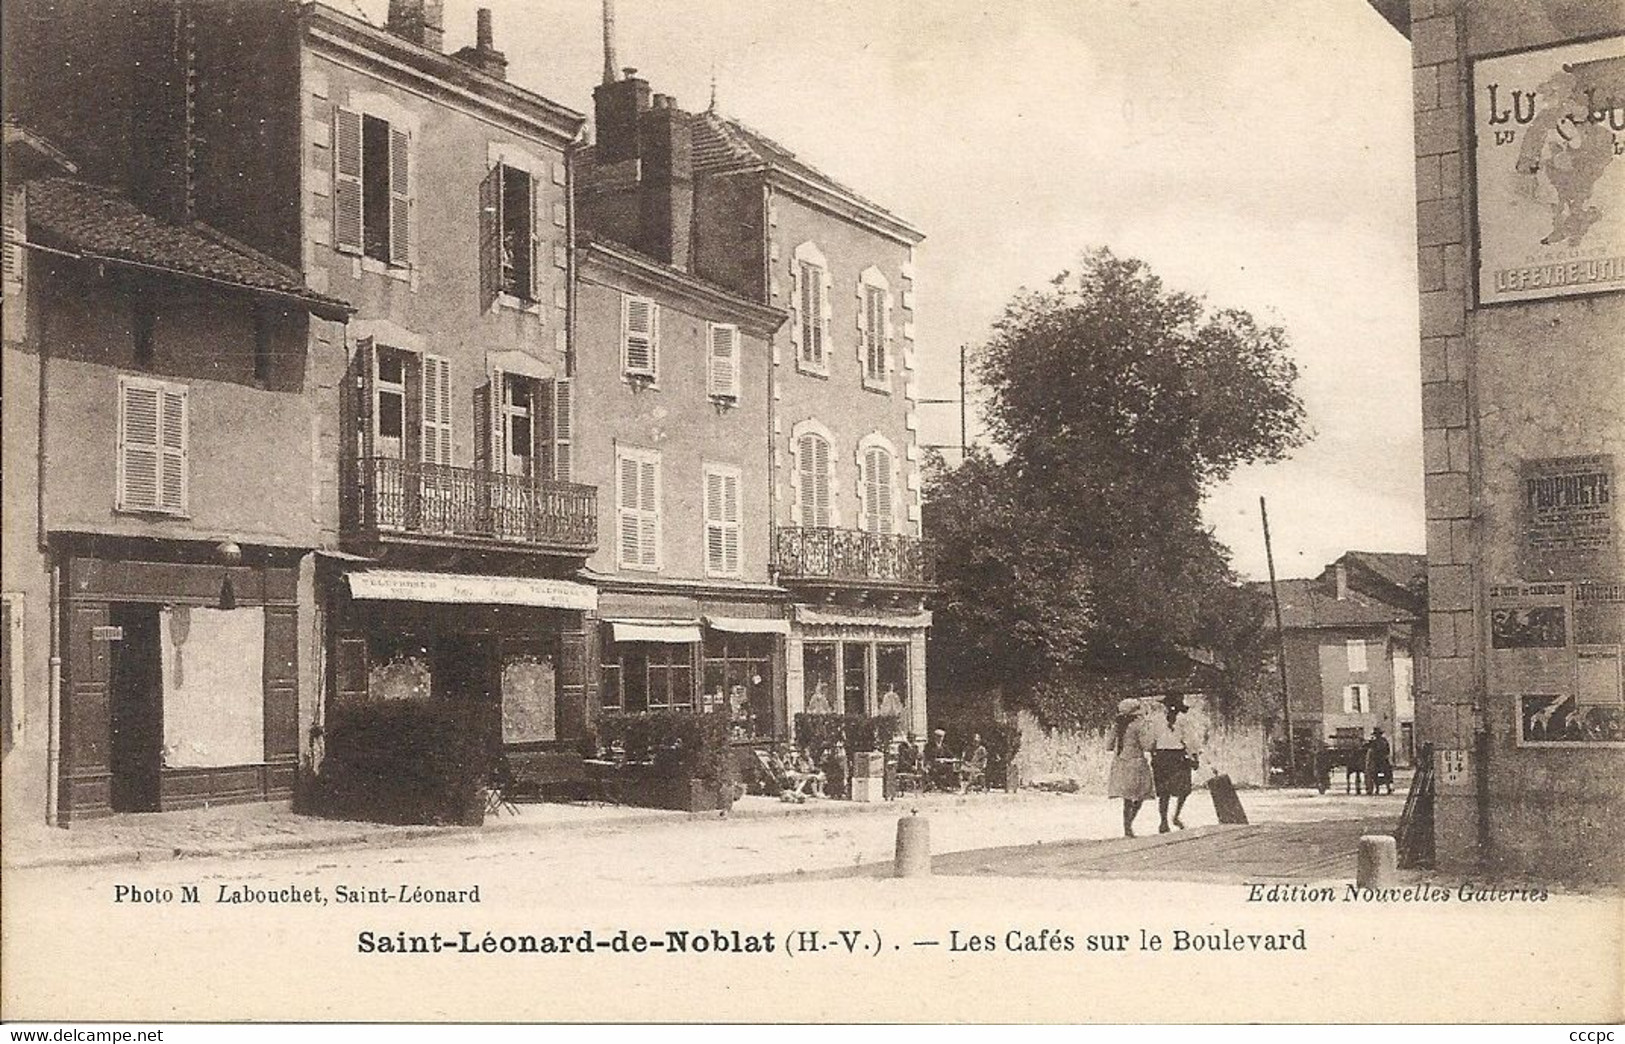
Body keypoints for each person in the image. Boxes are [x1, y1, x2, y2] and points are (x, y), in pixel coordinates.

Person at [1149, 695, 1201, 832]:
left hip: (1161, 757)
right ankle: (1176, 816)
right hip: (1178, 757)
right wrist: (1194, 757)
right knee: (1184, 789)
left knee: (1164, 792)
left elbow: (1151, 741)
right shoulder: (1184, 720)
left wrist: (1153, 754)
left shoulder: (1156, 720)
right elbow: (1190, 740)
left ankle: (1163, 821)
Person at [1106, 697, 1156, 838]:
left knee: (1126, 798)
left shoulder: (1117, 725)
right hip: (1136, 762)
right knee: (1140, 795)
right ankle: (1130, 824)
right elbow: (1146, 745)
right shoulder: (1139, 725)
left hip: (1120, 762)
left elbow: (1108, 745)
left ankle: (1126, 827)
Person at [1365, 726, 1394, 795]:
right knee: (1387, 773)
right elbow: (1388, 750)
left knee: (1374, 773)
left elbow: (1368, 747)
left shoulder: (1375, 742)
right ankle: (1388, 787)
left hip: (1377, 761)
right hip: (1384, 760)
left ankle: (1378, 788)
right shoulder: (1384, 740)